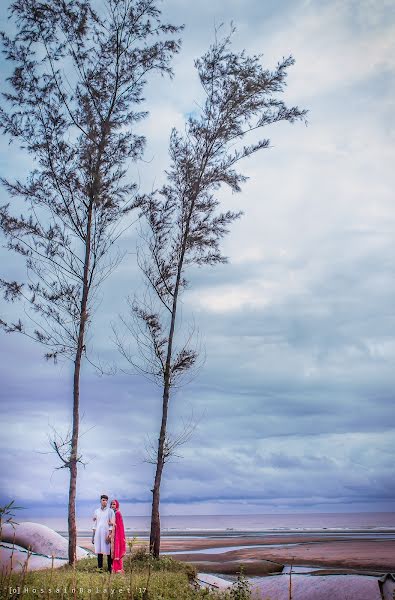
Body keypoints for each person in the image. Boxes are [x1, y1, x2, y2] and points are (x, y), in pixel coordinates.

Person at [92, 494, 115, 572]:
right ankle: (100, 569)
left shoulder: (110, 511)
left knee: (108, 552)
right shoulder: (96, 511)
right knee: (99, 551)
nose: (105, 502)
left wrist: (109, 535)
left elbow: (112, 524)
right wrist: (93, 536)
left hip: (107, 534)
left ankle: (109, 569)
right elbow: (94, 525)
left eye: (106, 500)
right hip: (98, 534)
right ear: (100, 501)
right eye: (103, 500)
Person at [110, 499, 126, 573]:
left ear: (117, 505)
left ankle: (118, 569)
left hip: (117, 535)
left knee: (118, 552)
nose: (112, 505)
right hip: (113, 535)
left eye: (114, 504)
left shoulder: (118, 513)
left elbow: (120, 526)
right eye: (111, 504)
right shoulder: (112, 513)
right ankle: (114, 568)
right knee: (113, 552)